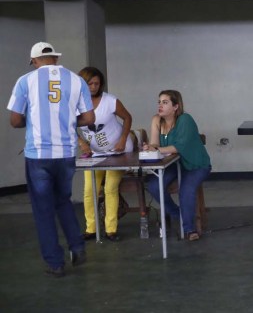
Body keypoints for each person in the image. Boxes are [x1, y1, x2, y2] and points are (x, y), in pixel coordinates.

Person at [7, 42, 95, 277]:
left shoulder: (26, 81)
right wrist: (67, 121)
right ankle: (77, 246)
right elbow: (88, 117)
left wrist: (33, 122)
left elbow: (15, 120)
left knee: (43, 209)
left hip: (38, 156)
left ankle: (55, 263)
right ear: (55, 59)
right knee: (63, 201)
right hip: (66, 154)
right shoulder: (77, 81)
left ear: (34, 61)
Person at [143, 90, 211, 241]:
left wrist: (157, 149)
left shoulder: (185, 119)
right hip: (173, 164)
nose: (160, 105)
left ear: (175, 106)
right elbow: (155, 143)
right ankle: (178, 214)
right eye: (159, 102)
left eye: (165, 102)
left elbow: (178, 147)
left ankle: (189, 229)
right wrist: (150, 147)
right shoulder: (156, 120)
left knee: (186, 189)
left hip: (195, 164)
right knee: (154, 186)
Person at [77, 67, 133, 242]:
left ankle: (111, 229)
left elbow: (128, 118)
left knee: (110, 187)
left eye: (97, 83)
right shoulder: (74, 103)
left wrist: (123, 139)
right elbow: (67, 125)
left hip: (117, 151)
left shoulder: (110, 101)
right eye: (90, 83)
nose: (93, 87)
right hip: (94, 154)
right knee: (89, 190)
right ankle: (91, 228)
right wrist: (81, 142)